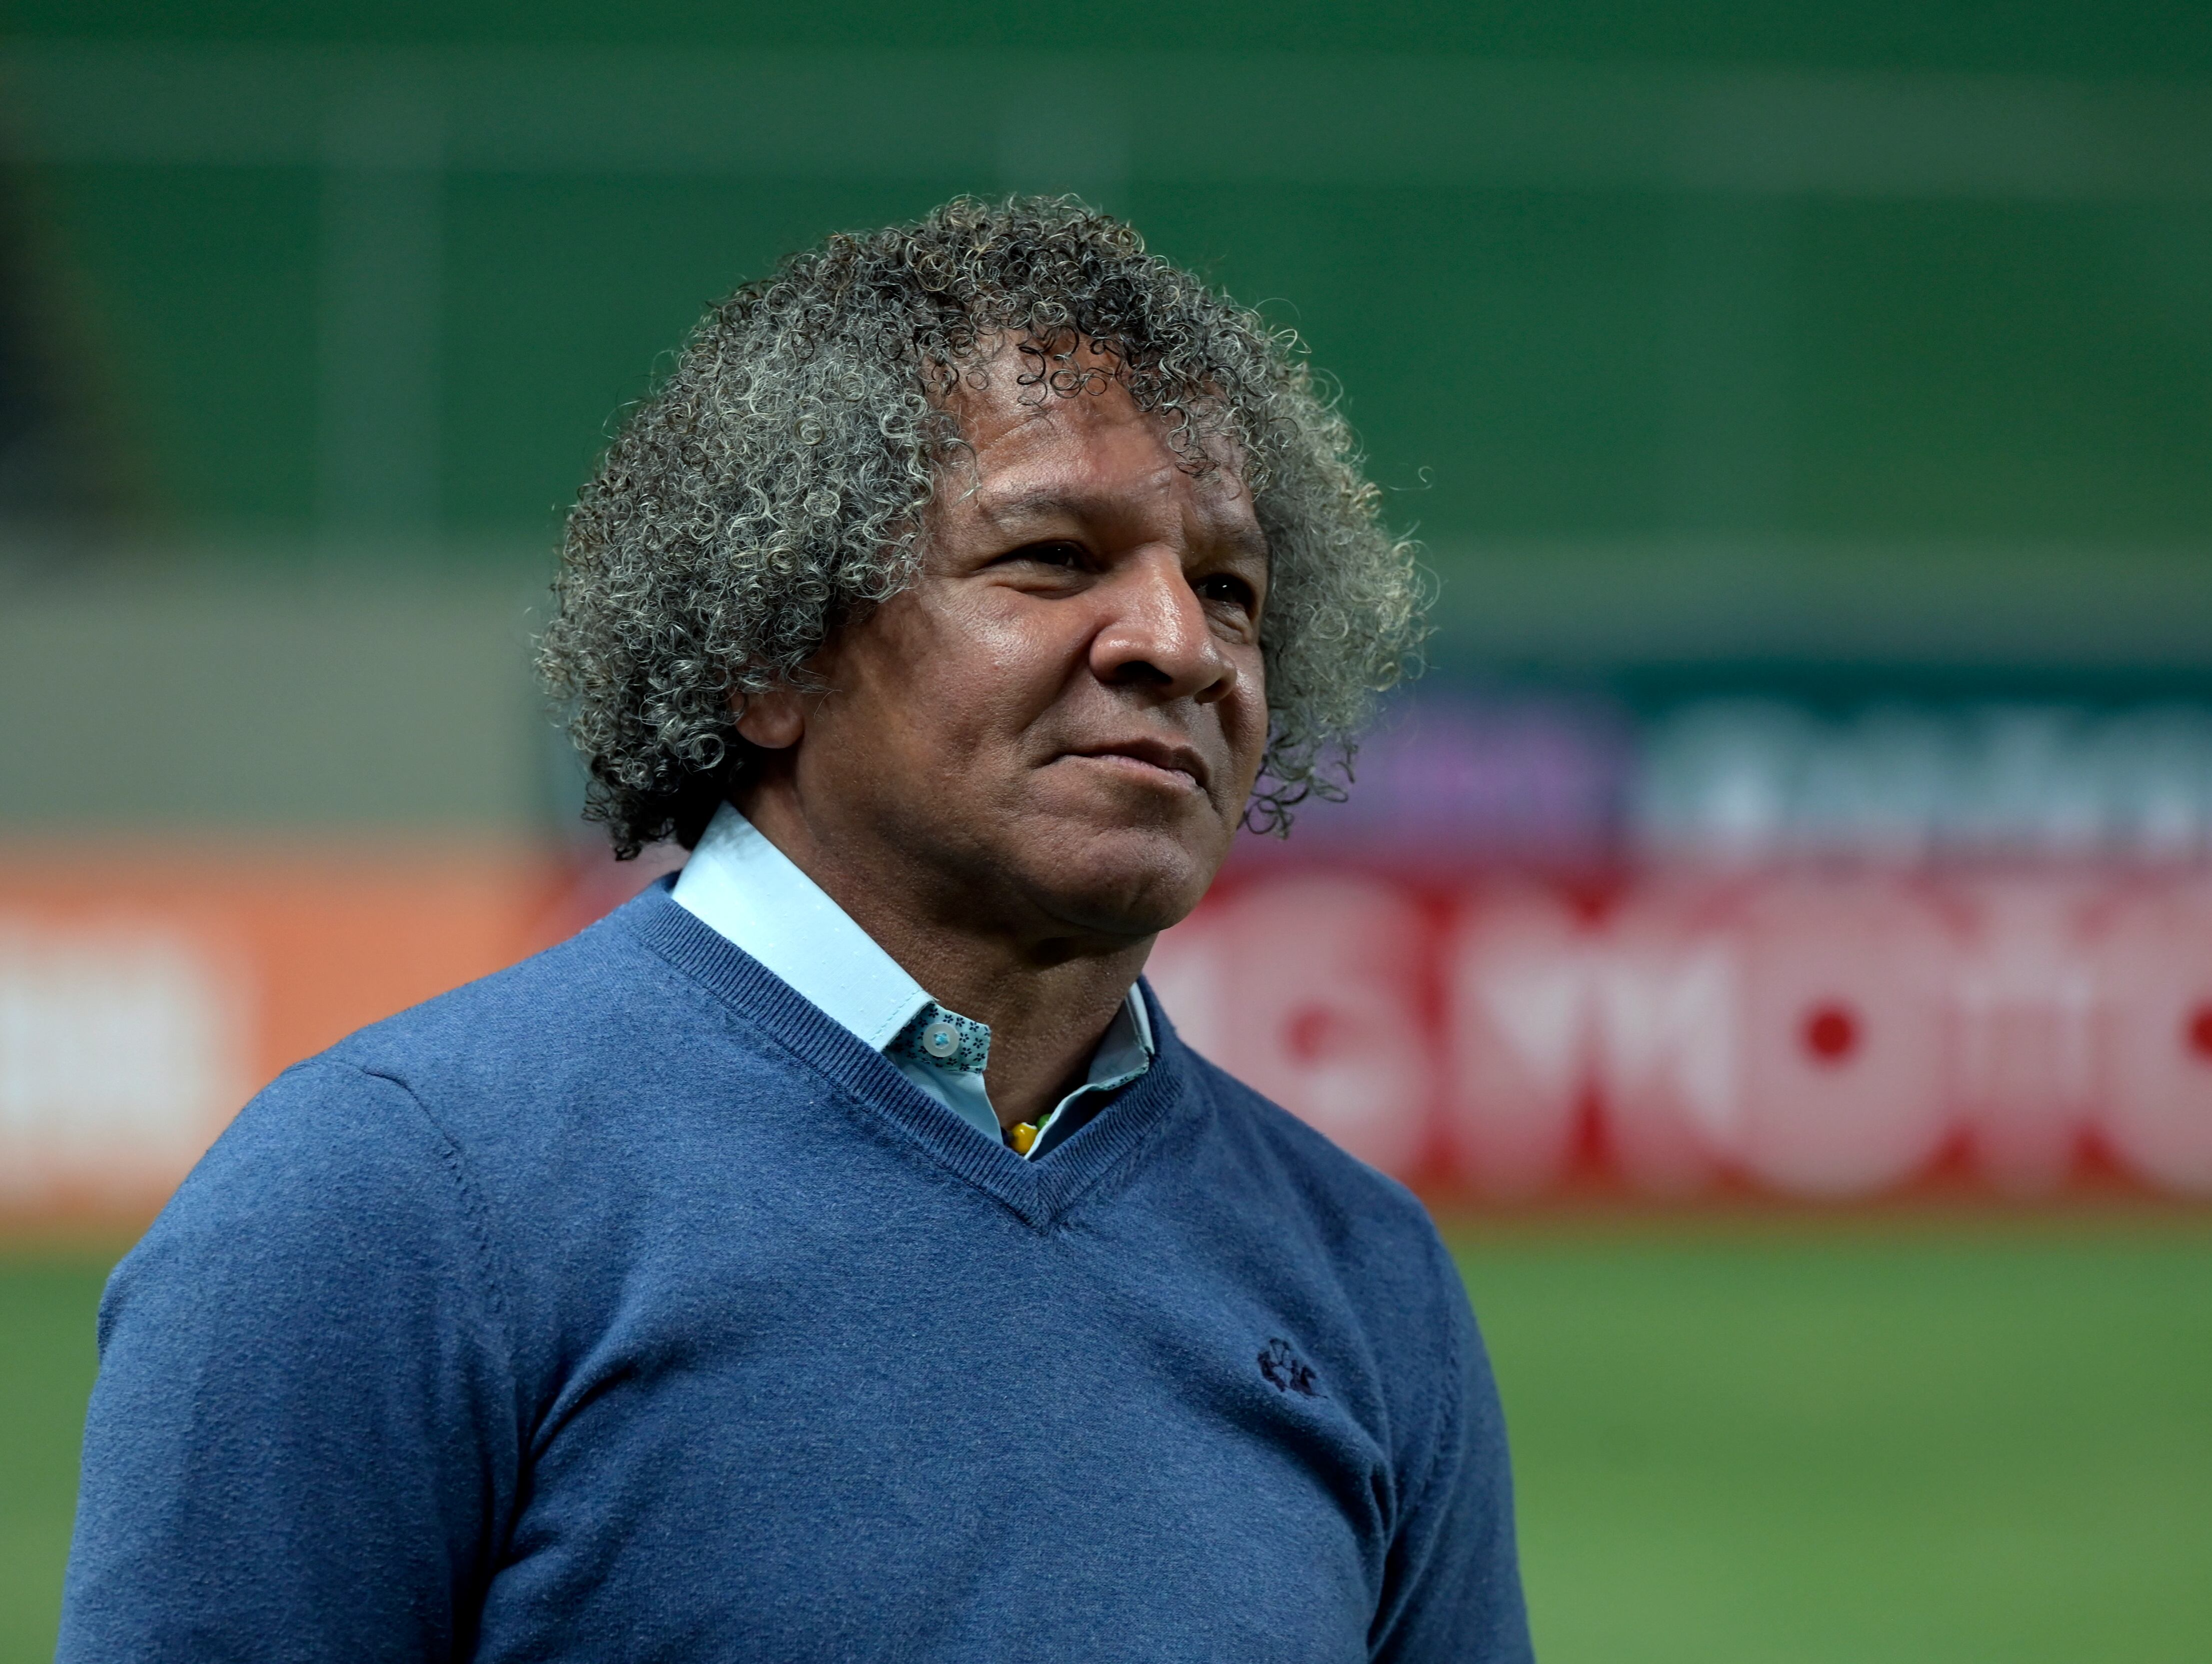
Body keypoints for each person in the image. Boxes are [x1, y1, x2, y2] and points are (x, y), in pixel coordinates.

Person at [57, 197, 1533, 1661]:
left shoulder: (1366, 1274)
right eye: (1052, 558)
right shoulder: (387, 1205)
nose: (1180, 642)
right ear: (769, 650)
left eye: (1232, 588)